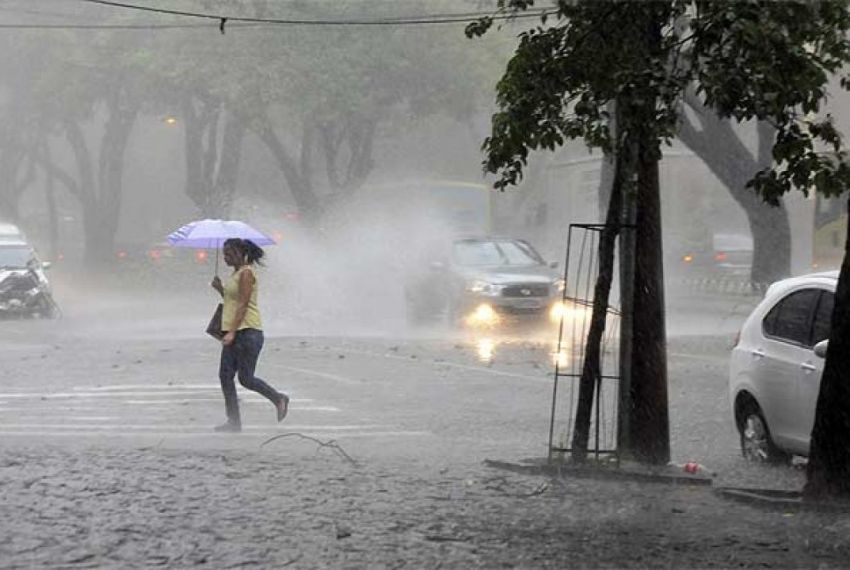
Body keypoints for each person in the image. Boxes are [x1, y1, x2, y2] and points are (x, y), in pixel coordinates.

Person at [210, 238, 289, 432]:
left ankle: (278, 398)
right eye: (224, 253)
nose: (226, 257)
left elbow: (244, 305)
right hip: (237, 333)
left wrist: (231, 332)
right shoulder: (236, 273)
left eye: (229, 253)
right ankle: (234, 421)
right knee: (227, 376)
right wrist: (221, 289)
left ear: (240, 253)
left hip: (247, 333)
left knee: (245, 378)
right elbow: (232, 301)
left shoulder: (246, 273)